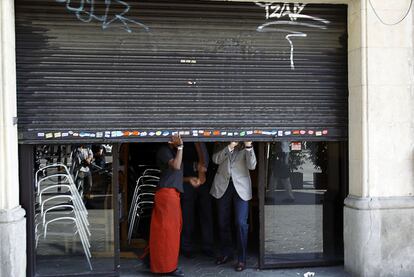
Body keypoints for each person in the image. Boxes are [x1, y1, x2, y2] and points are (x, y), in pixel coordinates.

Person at [210, 141, 257, 272]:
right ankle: (227, 253)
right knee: (222, 222)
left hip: (241, 187)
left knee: (241, 223)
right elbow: (215, 159)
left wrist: (248, 146)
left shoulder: (246, 142)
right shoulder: (221, 141)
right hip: (222, 185)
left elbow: (252, 165)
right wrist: (229, 146)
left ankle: (241, 259)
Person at [145, 134, 185, 277]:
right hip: (167, 195)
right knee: (166, 234)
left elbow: (176, 174)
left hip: (172, 194)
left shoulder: (173, 151)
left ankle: (167, 265)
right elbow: (176, 166)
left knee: (172, 232)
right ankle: (164, 268)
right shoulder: (164, 150)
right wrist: (180, 147)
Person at [181, 142, 215, 258]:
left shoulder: (206, 137)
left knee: (206, 214)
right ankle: (187, 247)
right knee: (187, 215)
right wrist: (195, 166)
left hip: (205, 180)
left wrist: (204, 171)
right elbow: (179, 161)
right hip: (188, 180)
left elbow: (212, 157)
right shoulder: (185, 139)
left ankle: (208, 246)